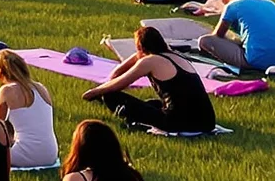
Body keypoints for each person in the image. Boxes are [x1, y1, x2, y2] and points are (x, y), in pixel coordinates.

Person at [84, 24, 218, 135]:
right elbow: (118, 72)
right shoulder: (174, 56)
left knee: (110, 95)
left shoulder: (150, 61)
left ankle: (135, 121)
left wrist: (94, 92)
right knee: (151, 104)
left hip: (179, 123)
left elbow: (118, 83)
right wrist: (138, 54)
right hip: (206, 121)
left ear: (142, 48)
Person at [188, 0, 275, 77]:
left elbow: (218, 35)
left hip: (256, 61)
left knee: (205, 40)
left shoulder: (232, 5)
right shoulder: (270, 3)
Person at [0, 51, 60, 169]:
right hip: (50, 154)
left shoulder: (7, 90)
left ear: (1, 72)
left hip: (26, 155)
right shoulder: (41, 88)